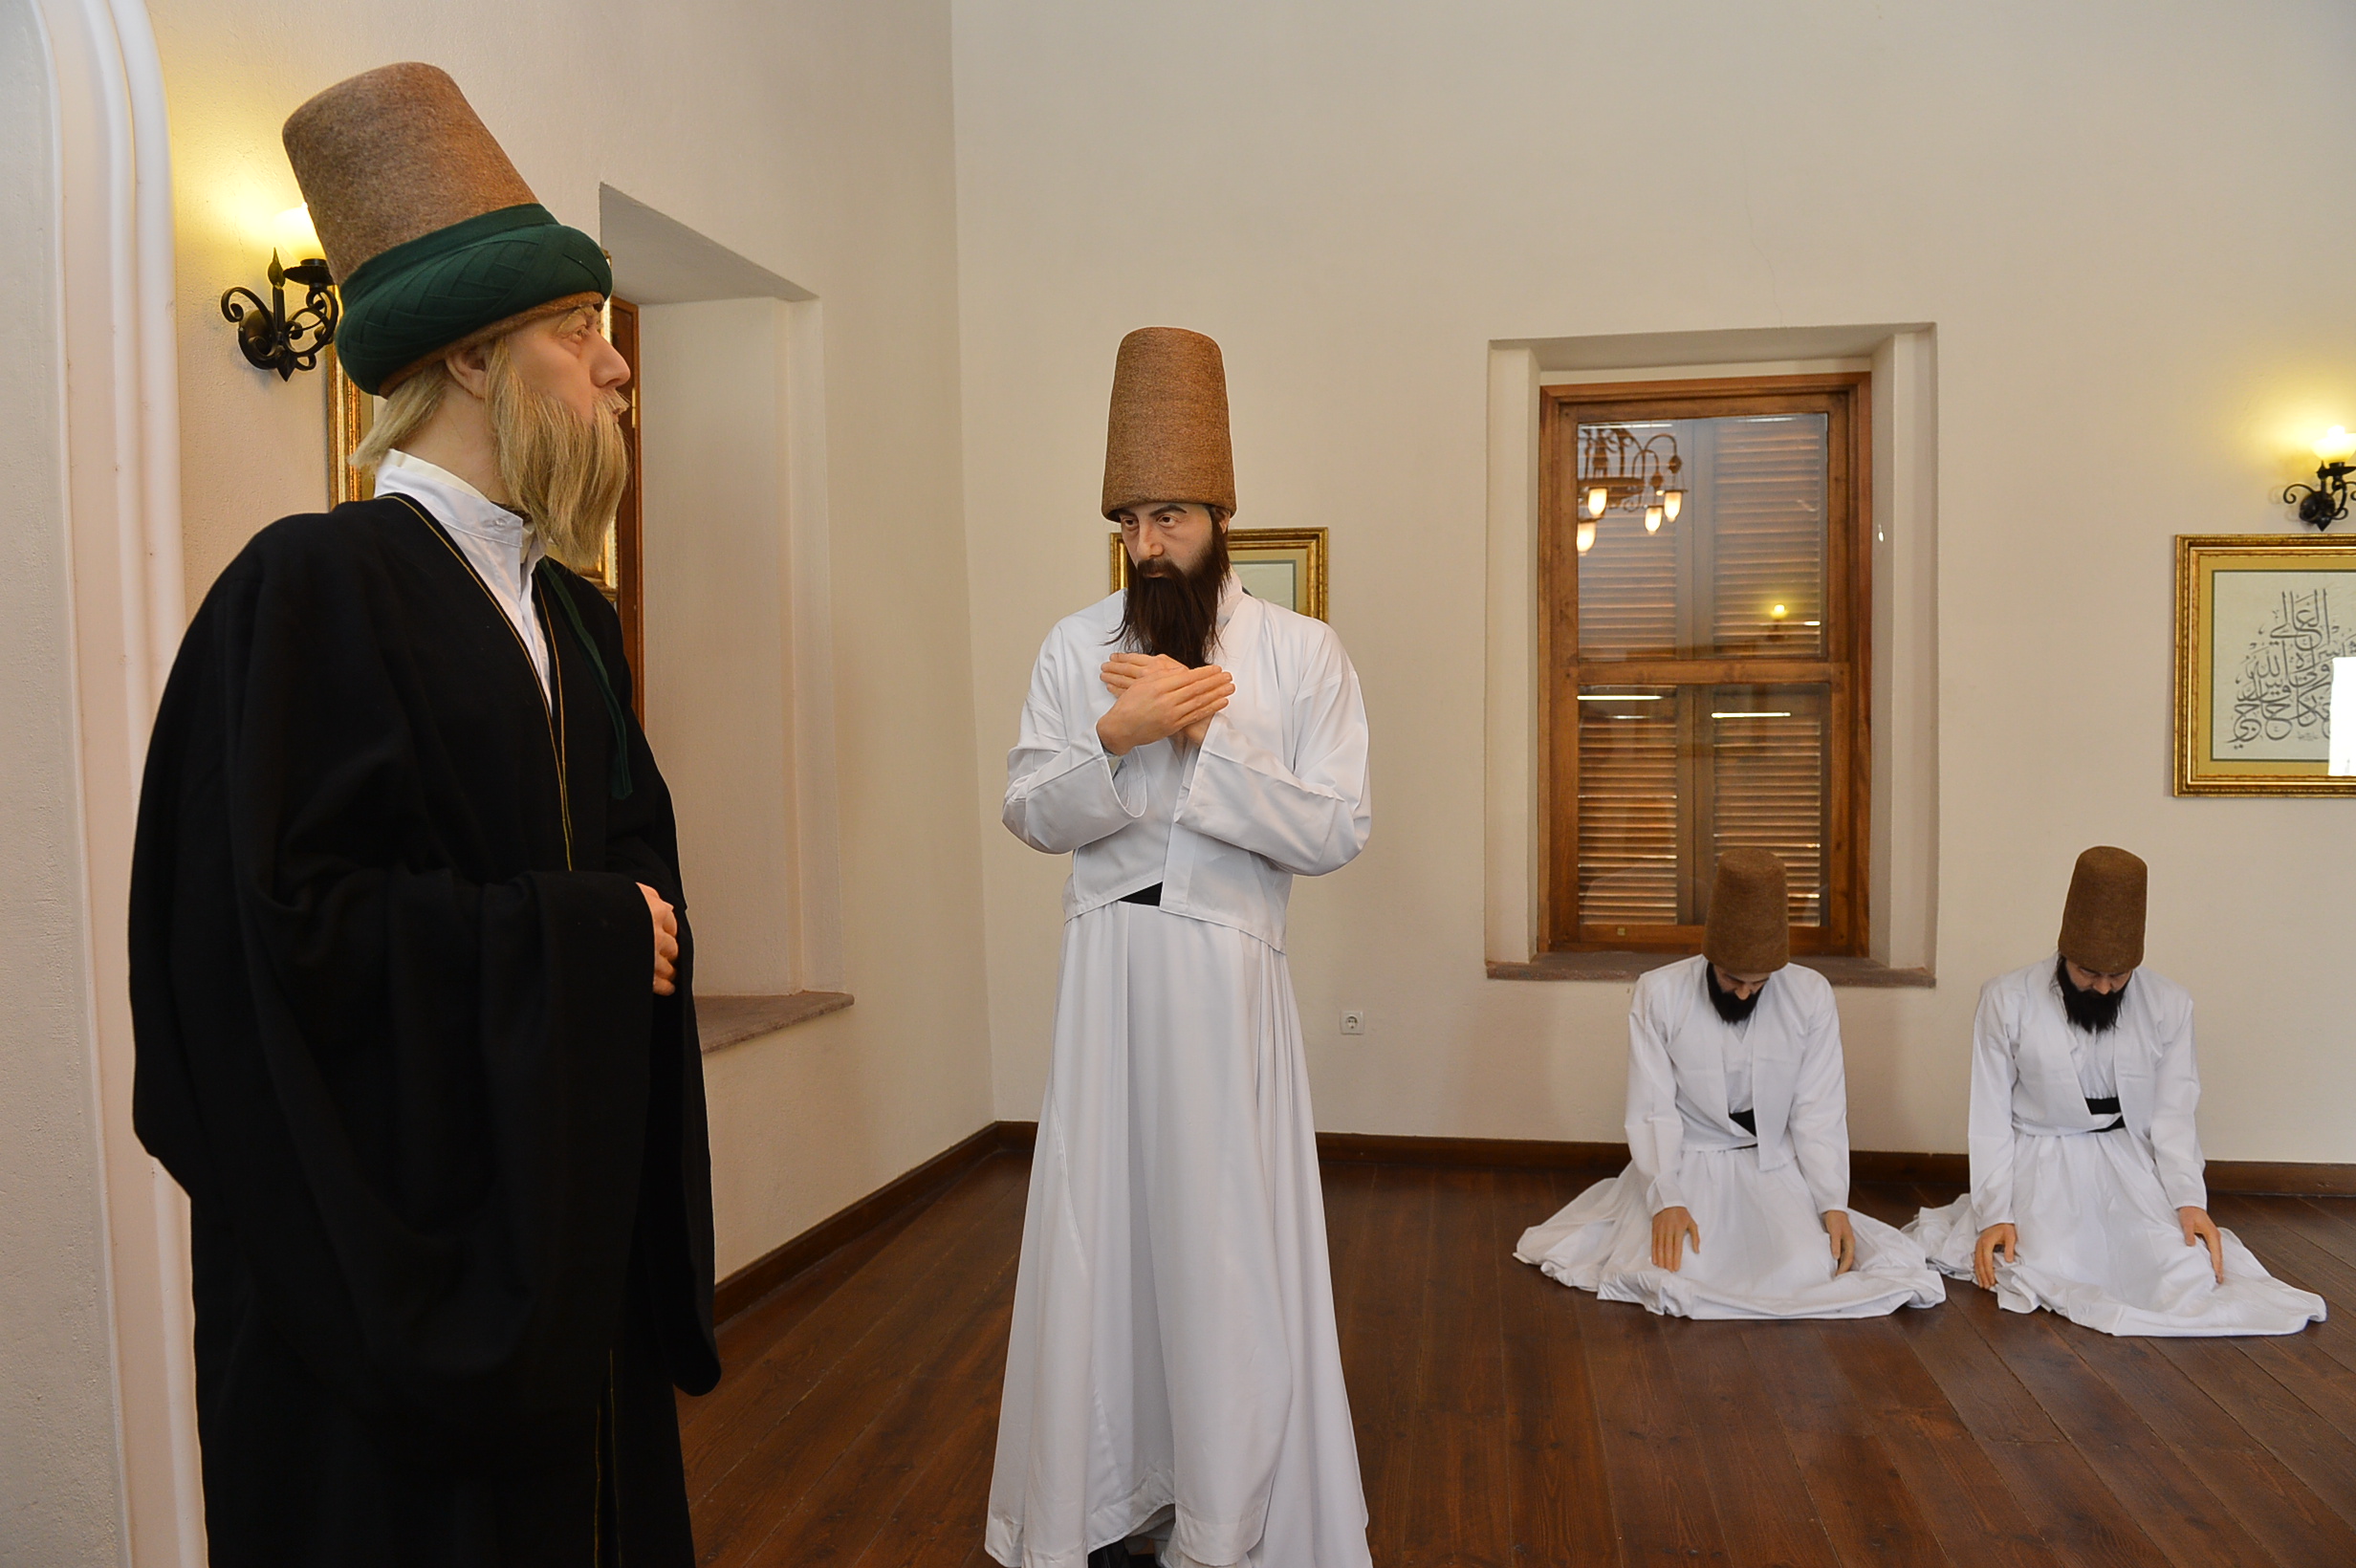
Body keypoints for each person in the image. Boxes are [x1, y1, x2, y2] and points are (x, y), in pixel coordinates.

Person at [129, 63, 718, 1566]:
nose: (617, 367)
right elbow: (268, 945)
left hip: (563, 1241)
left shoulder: (575, 619)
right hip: (391, 1280)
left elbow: (631, 859)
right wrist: (590, 939)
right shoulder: (309, 588)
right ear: (469, 357)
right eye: (577, 330)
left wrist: (620, 925)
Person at [987, 328, 1374, 1568]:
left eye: (1171, 516)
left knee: (1222, 1249)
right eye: (1131, 520)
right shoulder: (1073, 647)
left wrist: (1207, 741)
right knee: (1103, 1239)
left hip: (1227, 979)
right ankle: (1103, 1498)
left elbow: (1337, 827)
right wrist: (1118, 733)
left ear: (1219, 517)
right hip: (1107, 978)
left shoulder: (1300, 654)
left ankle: (1228, 1516)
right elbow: (1029, 808)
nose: (1149, 542)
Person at [1908, 847, 2324, 1336]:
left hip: (2127, 1162)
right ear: (2065, 952)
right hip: (2040, 1158)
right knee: (2050, 1262)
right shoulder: (2007, 999)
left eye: (2118, 976)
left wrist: (2188, 1200)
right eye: (2089, 973)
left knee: (2179, 1267)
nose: (2104, 989)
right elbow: (1990, 1116)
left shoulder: (2170, 1004)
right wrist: (1996, 1212)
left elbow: (2174, 1115)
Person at [1516, 849, 1944, 1319]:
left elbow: (1818, 1109)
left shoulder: (1810, 995)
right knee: (1681, 1267)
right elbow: (1652, 1108)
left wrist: (1831, 1203)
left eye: (1758, 984)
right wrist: (1666, 1198)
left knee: (1805, 1267)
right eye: (1732, 979)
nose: (1743, 993)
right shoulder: (1660, 993)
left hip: (1771, 1163)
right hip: (1686, 1161)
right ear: (1710, 958)